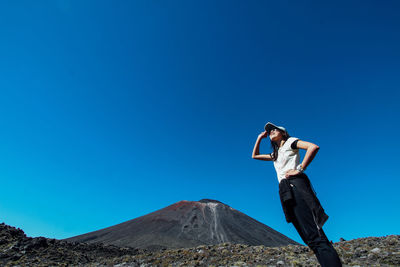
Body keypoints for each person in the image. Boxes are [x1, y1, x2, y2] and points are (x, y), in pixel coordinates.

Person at [252, 122, 342, 267]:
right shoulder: (275, 154)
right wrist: (259, 138)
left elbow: (313, 147)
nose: (271, 131)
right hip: (284, 190)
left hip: (295, 185)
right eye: (269, 131)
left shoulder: (290, 142)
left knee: (316, 236)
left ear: (283, 132)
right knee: (310, 239)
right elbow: (254, 155)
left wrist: (300, 168)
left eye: (275, 129)